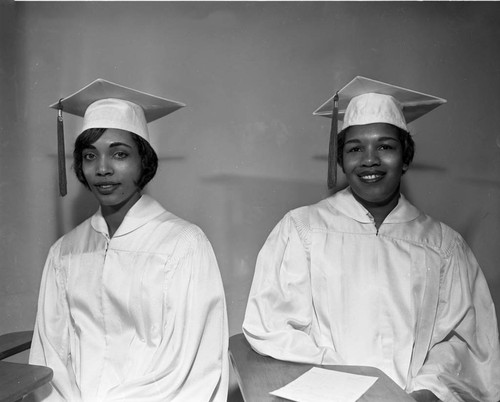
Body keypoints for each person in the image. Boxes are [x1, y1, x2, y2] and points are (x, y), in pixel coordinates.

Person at [242, 76, 500, 402]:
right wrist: (348, 384)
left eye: (385, 146)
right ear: (341, 160)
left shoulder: (442, 246)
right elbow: (270, 326)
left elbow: (463, 343)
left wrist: (426, 392)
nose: (369, 160)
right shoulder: (302, 230)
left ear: (405, 157)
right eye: (355, 149)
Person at [29, 79, 229, 401]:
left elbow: (189, 367)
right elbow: (49, 356)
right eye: (90, 156)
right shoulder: (64, 252)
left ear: (144, 161)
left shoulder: (183, 244)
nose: (103, 169)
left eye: (119, 154)